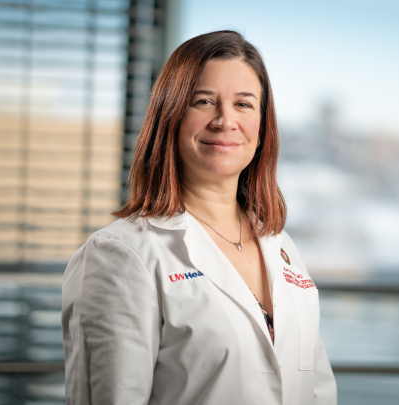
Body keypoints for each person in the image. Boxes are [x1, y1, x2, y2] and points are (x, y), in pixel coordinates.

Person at [61, 30, 337, 405]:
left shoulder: (280, 245)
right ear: (170, 116)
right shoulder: (122, 255)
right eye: (204, 101)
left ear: (262, 127)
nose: (225, 120)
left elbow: (319, 389)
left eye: (244, 104)